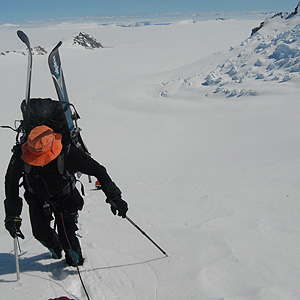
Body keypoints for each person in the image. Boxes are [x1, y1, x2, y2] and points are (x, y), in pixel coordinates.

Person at [4, 125, 128, 266]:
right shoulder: (20, 155)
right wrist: (12, 215)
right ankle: (56, 247)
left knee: (70, 244)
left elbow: (98, 170)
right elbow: (11, 183)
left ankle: (74, 261)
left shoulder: (67, 152)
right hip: (37, 199)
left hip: (64, 200)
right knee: (40, 233)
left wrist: (115, 197)